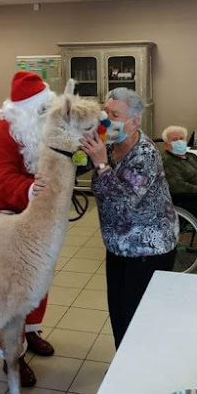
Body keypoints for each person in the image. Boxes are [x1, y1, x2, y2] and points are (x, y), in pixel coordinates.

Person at [80, 88, 179, 349]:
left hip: (147, 249)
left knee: (138, 319)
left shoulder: (144, 154)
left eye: (114, 114)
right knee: (120, 314)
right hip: (119, 246)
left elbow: (124, 202)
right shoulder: (112, 144)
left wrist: (101, 165)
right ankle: (122, 368)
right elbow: (89, 175)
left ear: (134, 121)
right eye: (105, 112)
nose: (106, 119)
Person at [0, 71, 56, 386]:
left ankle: (32, 332)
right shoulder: (1, 133)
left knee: (40, 277)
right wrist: (30, 188)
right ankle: (14, 353)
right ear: (24, 110)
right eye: (43, 110)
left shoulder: (42, 129)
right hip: (3, 216)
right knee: (12, 289)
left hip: (36, 218)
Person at [162, 125, 197, 217]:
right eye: (175, 139)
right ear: (166, 145)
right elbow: (178, 186)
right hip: (188, 198)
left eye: (182, 139)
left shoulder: (190, 156)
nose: (179, 142)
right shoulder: (168, 162)